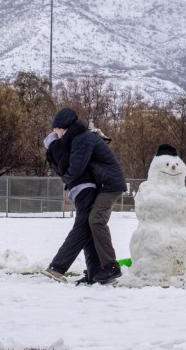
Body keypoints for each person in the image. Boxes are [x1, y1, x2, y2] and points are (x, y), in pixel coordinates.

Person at [51, 107, 127, 285]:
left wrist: (66, 180)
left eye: (57, 130)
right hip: (104, 185)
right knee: (90, 223)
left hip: (110, 185)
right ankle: (96, 272)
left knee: (96, 220)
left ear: (64, 128)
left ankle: (111, 267)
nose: (55, 134)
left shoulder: (82, 139)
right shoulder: (80, 137)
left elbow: (76, 167)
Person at [41, 128, 101, 285]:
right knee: (83, 227)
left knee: (88, 227)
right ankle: (57, 267)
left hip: (81, 188)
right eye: (60, 131)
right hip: (84, 188)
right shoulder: (59, 148)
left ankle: (95, 272)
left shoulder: (57, 150)